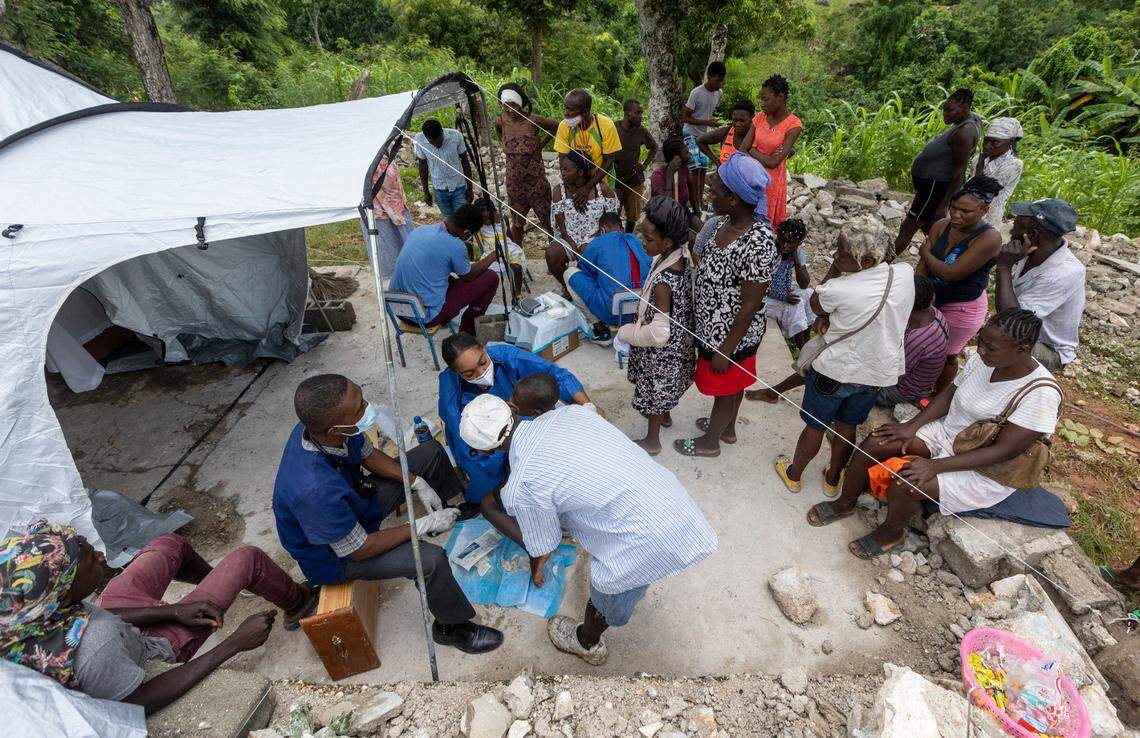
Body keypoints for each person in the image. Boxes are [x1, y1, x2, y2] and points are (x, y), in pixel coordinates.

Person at [458, 395, 718, 665]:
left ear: (485, 452)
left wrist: (536, 562)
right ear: (512, 408)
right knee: (638, 568)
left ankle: (586, 642)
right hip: (672, 501)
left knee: (607, 598)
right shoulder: (570, 414)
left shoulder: (521, 487)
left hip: (644, 541)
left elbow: (545, 543)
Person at [273, 374, 503, 654]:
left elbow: (369, 454)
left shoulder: (330, 429)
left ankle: (451, 505)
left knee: (430, 452)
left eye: (361, 396)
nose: (368, 407)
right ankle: (452, 627)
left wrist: (416, 481)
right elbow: (359, 549)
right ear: (336, 427)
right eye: (360, 407)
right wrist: (419, 525)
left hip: (351, 504)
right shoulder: (312, 490)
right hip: (337, 555)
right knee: (431, 560)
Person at [807, 310, 1062, 560]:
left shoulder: (1040, 394)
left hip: (983, 467)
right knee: (875, 443)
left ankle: (891, 533)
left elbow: (1003, 451)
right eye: (981, 341)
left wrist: (935, 466)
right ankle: (845, 502)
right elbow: (951, 393)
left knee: (905, 483)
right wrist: (911, 426)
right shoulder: (984, 360)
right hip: (949, 434)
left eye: (990, 348)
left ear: (1022, 350)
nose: (980, 350)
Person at [0, 522, 316, 712]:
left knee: (168, 543)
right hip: (152, 653)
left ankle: (221, 582)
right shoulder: (96, 647)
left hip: (115, 624)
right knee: (248, 560)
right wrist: (232, 644)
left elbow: (97, 615)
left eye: (85, 544)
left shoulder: (21, 606)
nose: (99, 554)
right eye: (86, 557)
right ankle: (300, 603)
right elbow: (141, 701)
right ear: (64, 586)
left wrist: (174, 610)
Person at [774, 218, 915, 497]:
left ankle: (794, 475)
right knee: (847, 426)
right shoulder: (904, 274)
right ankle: (832, 478)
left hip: (834, 373)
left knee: (815, 426)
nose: (835, 255)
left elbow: (815, 304)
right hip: (875, 374)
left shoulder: (838, 289)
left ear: (862, 260)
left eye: (842, 251)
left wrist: (835, 273)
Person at [437, 333, 593, 543]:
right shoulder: (452, 396)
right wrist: (513, 467)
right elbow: (472, 445)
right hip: (481, 444)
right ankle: (488, 499)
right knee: (492, 483)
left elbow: (554, 374)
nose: (482, 373)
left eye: (483, 362)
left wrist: (587, 407)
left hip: (522, 421)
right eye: (469, 373)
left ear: (484, 349)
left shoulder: (506, 356)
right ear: (456, 373)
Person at [675, 153, 776, 458]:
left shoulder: (759, 242)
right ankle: (727, 428)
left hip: (732, 336)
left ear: (733, 199)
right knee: (734, 384)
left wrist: (726, 350)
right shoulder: (720, 223)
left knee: (726, 388)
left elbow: (750, 305)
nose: (709, 193)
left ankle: (710, 442)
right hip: (713, 330)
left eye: (715, 191)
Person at [617, 196, 696, 455]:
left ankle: (652, 439)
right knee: (664, 390)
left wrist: (628, 333)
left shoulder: (663, 281)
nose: (643, 242)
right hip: (678, 346)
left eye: (649, 239)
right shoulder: (678, 255)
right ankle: (666, 415)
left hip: (662, 353)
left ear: (668, 241)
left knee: (655, 390)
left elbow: (659, 333)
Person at [916, 176, 1003, 390]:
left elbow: (951, 274)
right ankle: (914, 385)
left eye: (965, 212)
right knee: (919, 342)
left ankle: (938, 396)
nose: (956, 215)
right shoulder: (941, 226)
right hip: (933, 294)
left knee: (947, 354)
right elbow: (923, 269)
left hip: (963, 305)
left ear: (983, 210)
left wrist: (925, 252)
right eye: (954, 208)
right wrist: (916, 293)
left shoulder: (990, 238)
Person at [993, 198, 1084, 371]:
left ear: (1033, 235)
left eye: (1016, 227)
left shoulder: (1063, 273)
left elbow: (1012, 321)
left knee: (995, 343)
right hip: (1026, 334)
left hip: (1047, 348)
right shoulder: (1033, 250)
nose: (1011, 230)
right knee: (992, 337)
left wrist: (1004, 267)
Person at [893, 89, 982, 257]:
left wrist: (944, 205)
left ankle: (883, 266)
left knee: (908, 227)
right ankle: (944, 257)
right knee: (929, 226)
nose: (945, 115)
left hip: (935, 186)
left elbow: (959, 171)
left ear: (965, 108)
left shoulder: (964, 133)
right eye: (944, 109)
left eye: (950, 111)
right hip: (931, 186)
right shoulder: (970, 119)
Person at [389, 203, 499, 335]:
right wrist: (494, 255)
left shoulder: (420, 230)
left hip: (398, 308)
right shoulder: (455, 245)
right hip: (424, 317)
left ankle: (451, 318)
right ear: (467, 233)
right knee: (491, 277)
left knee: (451, 279)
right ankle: (467, 332)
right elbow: (468, 276)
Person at [567, 212, 653, 341]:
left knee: (569, 273)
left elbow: (584, 269)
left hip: (612, 311)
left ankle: (600, 329)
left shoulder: (598, 242)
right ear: (622, 229)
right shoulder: (635, 240)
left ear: (602, 230)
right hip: (642, 307)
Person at [547, 150, 620, 296]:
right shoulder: (559, 191)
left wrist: (598, 235)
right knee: (552, 254)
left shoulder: (602, 190)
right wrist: (571, 242)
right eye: (562, 168)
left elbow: (612, 219)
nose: (563, 173)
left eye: (567, 169)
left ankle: (590, 291)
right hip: (569, 236)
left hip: (595, 236)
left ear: (580, 172)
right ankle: (568, 286)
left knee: (588, 253)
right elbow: (561, 224)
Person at [495, 83, 559, 246]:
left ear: (521, 103)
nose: (510, 110)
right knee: (517, 223)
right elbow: (501, 137)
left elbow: (558, 127)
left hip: (536, 182)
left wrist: (541, 144)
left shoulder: (533, 120)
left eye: (514, 105)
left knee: (547, 221)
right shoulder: (501, 121)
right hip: (514, 183)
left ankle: (554, 257)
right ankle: (519, 259)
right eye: (506, 106)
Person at [876, 274, 950, 408]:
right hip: (920, 385)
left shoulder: (916, 340)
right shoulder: (937, 314)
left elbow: (892, 370)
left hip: (902, 391)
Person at [746, 75, 802, 227]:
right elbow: (743, 148)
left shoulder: (793, 124)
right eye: (761, 99)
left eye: (766, 99)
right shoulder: (759, 118)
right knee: (746, 222)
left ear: (781, 97)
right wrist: (754, 151)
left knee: (765, 225)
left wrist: (753, 150)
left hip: (771, 183)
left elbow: (773, 163)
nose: (762, 103)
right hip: (751, 178)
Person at [553, 89, 622, 210]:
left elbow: (609, 161)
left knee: (605, 216)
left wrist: (587, 188)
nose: (565, 114)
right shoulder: (564, 127)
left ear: (584, 112)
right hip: (575, 181)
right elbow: (562, 160)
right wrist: (574, 190)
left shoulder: (605, 126)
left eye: (570, 111)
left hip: (602, 179)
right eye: (565, 109)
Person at [682, 61, 727, 214]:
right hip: (690, 133)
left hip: (704, 136)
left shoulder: (718, 93)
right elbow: (685, 118)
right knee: (695, 169)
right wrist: (706, 122)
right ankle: (695, 203)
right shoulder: (696, 93)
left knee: (702, 168)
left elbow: (709, 112)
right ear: (709, 77)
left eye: (721, 81)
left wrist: (710, 124)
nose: (719, 84)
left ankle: (700, 202)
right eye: (717, 80)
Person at [764, 218, 814, 347]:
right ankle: (801, 347)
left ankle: (806, 337)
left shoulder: (797, 252)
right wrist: (782, 295)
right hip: (765, 295)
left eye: (790, 242)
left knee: (809, 294)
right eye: (782, 240)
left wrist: (796, 261)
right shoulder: (769, 249)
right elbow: (760, 282)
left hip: (782, 290)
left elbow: (804, 284)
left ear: (798, 243)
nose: (784, 245)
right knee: (795, 304)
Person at [612, 99, 659, 232]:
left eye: (641, 113)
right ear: (628, 113)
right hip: (615, 177)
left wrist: (644, 165)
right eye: (637, 113)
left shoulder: (641, 131)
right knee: (614, 211)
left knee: (632, 215)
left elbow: (654, 146)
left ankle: (628, 238)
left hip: (634, 179)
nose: (640, 116)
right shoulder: (614, 128)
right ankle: (615, 239)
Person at [415, 119, 473, 218]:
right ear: (426, 138)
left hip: (459, 187)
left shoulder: (455, 136)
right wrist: (426, 192)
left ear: (442, 132)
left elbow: (465, 161)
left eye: (439, 141)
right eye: (433, 143)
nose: (437, 145)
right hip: (439, 189)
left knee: (463, 219)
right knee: (449, 221)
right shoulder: (419, 139)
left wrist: (470, 188)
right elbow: (422, 166)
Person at [975, 117, 1024, 227]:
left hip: (989, 218)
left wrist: (979, 166)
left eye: (995, 142)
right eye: (986, 140)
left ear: (1009, 143)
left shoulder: (1014, 164)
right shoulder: (980, 158)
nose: (987, 146)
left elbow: (983, 191)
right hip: (970, 213)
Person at [370, 156, 413, 279]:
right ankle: (394, 279)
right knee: (388, 252)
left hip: (397, 207)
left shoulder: (387, 156)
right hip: (379, 212)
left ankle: (406, 274)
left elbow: (393, 183)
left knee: (405, 244)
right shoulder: (371, 159)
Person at [474, 200, 527, 295]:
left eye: (488, 218)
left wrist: (516, 245)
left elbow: (509, 235)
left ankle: (518, 294)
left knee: (517, 267)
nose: (486, 221)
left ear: (494, 212)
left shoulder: (503, 218)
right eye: (484, 219)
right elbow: (478, 240)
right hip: (490, 251)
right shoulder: (478, 223)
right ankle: (481, 293)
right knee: (479, 270)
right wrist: (482, 250)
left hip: (508, 248)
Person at [651, 136, 699, 218]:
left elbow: (692, 192)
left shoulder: (685, 169)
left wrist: (697, 213)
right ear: (677, 158)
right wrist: (670, 175)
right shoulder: (658, 174)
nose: (690, 154)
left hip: (681, 211)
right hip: (664, 216)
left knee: (702, 229)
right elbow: (666, 206)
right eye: (687, 153)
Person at [699, 98, 756, 165]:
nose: (737, 124)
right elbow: (700, 141)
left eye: (742, 121)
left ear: (753, 118)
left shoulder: (758, 137)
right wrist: (716, 161)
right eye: (735, 120)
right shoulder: (726, 132)